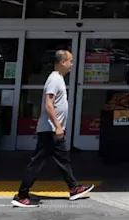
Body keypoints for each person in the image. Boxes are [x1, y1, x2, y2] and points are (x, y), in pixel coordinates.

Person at [12, 48, 94, 208]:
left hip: (53, 130)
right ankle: (21, 195)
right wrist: (58, 127)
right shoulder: (54, 79)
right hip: (49, 130)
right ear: (62, 62)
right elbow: (48, 105)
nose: (71, 65)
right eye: (70, 61)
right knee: (37, 162)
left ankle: (74, 188)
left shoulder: (58, 79)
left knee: (63, 160)